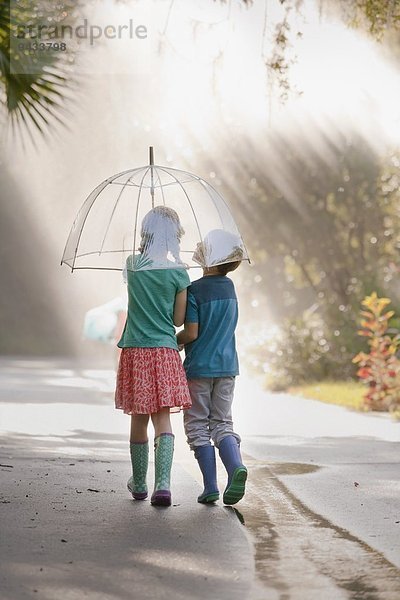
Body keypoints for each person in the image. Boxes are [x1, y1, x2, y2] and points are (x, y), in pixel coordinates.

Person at [115, 206, 192, 507]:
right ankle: (164, 485)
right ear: (174, 237)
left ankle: (139, 483)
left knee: (138, 418)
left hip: (135, 350)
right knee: (163, 419)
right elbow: (177, 319)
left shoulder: (133, 265)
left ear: (145, 233)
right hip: (164, 351)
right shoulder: (179, 272)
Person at [177, 230, 247, 505]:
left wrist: (175, 341)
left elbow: (191, 333)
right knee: (222, 422)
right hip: (228, 367)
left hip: (199, 370)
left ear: (209, 257)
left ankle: (210, 487)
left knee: (196, 426)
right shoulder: (230, 289)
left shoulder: (194, 290)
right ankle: (235, 467)